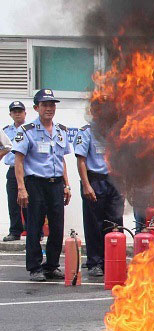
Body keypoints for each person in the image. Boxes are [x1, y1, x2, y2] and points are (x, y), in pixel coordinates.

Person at [12, 89, 73, 281]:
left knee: (57, 227)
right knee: (35, 226)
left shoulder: (61, 130)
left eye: (52, 105)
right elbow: (19, 160)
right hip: (35, 184)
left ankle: (52, 265)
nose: (49, 108)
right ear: (36, 108)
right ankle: (35, 267)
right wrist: (21, 188)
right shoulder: (27, 131)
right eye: (45, 105)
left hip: (56, 184)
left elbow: (61, 160)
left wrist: (67, 184)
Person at [74, 116, 124, 277]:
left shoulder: (116, 132)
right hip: (95, 180)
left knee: (115, 223)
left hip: (114, 181)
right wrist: (86, 185)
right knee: (94, 224)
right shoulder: (86, 132)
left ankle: (113, 260)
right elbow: (81, 160)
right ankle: (95, 262)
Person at [3, 101, 26, 241]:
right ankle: (15, 231)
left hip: (27, 171)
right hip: (12, 170)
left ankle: (35, 230)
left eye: (20, 111)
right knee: (13, 202)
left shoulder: (30, 129)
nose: (17, 114)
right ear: (10, 114)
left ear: (25, 113)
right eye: (14, 111)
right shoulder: (6, 131)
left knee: (31, 202)